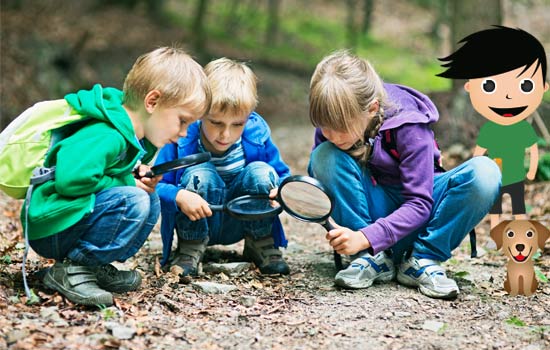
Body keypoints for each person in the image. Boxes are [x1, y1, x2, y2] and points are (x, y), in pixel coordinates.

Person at [26, 47, 211, 306]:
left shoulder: (128, 137)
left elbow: (106, 174)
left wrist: (134, 173)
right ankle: (71, 269)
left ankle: (91, 266)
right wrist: (126, 182)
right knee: (133, 199)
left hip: (69, 220)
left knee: (149, 197)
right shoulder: (107, 134)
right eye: (182, 121)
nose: (183, 133)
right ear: (153, 101)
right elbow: (70, 181)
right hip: (52, 226)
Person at [308, 51, 501, 299]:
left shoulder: (408, 124)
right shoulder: (333, 125)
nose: (331, 135)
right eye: (324, 126)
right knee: (324, 155)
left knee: (485, 172)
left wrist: (366, 237)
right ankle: (371, 259)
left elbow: (420, 203)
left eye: (340, 127)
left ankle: (422, 259)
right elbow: (326, 184)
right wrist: (291, 194)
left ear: (372, 109)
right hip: (370, 219)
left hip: (420, 219)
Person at [156, 57, 291, 277]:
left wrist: (281, 191)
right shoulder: (182, 138)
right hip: (199, 217)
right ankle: (191, 246)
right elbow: (157, 186)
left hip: (242, 218)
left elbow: (283, 176)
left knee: (261, 171)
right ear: (200, 113)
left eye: (237, 124)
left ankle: (260, 242)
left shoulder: (257, 136)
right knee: (200, 172)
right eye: (216, 122)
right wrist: (179, 195)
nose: (225, 134)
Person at [437, 26, 547, 229]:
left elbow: (532, 150)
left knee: (518, 206)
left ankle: (519, 228)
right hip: (495, 175)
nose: (507, 96)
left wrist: (531, 170)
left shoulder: (523, 128)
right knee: (495, 206)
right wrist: (472, 171)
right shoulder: (490, 129)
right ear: (470, 87)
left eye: (524, 86)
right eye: (489, 86)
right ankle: (496, 230)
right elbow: (479, 153)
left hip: (515, 175)